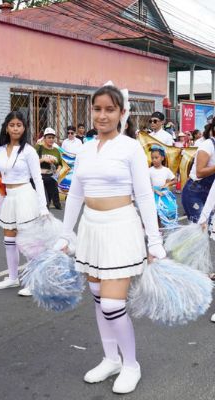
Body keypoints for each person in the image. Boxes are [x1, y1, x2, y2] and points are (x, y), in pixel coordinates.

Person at [54, 83, 165, 394]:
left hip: (121, 228)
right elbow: (75, 193)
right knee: (99, 299)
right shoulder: (85, 148)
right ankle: (110, 358)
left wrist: (153, 241)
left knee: (112, 304)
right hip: (91, 229)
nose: (102, 115)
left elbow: (144, 196)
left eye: (109, 109)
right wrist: (66, 234)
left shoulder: (130, 148)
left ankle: (131, 364)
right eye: (97, 108)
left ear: (122, 113)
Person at [0, 111, 49, 295]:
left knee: (28, 240)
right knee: (9, 238)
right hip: (10, 197)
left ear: (24, 128)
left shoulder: (29, 151)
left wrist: (43, 206)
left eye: (19, 125)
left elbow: (37, 179)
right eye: (12, 125)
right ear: (7, 127)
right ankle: (13, 278)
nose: (15, 128)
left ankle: (34, 281)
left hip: (25, 195)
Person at [181, 124, 215, 222]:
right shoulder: (208, 145)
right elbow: (199, 172)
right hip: (195, 192)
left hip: (210, 194)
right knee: (200, 229)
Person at [148, 146, 177, 227]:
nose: (154, 160)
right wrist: (155, 191)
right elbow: (147, 184)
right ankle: (158, 229)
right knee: (156, 212)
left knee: (167, 211)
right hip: (154, 193)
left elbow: (175, 180)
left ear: (162, 158)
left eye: (156, 157)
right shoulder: (149, 170)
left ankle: (165, 227)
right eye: (152, 158)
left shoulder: (166, 170)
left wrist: (167, 184)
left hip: (164, 193)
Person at [35, 128, 63, 210]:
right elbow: (31, 162)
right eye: (49, 137)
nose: (51, 139)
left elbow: (60, 164)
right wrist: (43, 159)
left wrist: (57, 171)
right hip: (40, 176)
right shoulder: (38, 148)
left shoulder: (56, 151)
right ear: (44, 138)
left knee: (53, 199)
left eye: (52, 137)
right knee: (44, 202)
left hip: (51, 176)